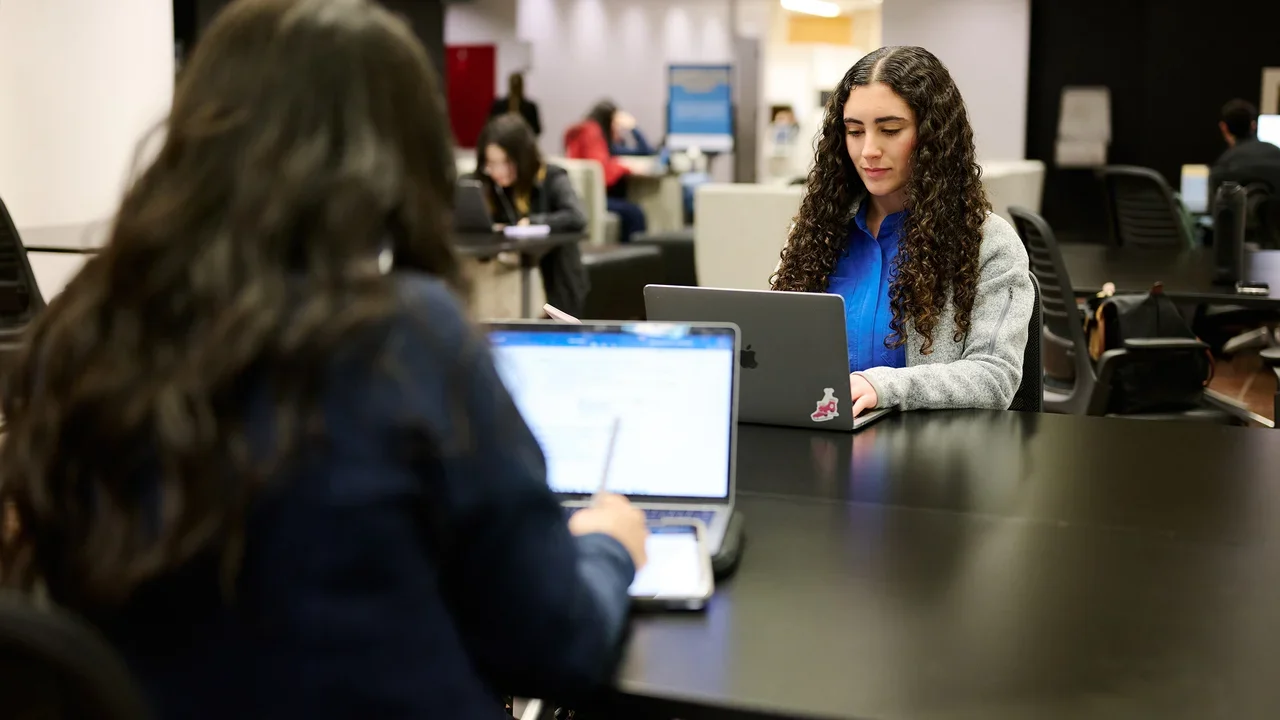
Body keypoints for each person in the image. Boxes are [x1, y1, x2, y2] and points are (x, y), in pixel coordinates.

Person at [0, 1, 648, 719]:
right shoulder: (405, 339)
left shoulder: (88, 331)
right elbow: (555, 644)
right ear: (400, 160)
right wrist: (606, 546)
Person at [771, 46, 1033, 417]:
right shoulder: (819, 233)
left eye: (890, 130)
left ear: (932, 136)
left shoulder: (987, 243)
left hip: (931, 459)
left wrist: (883, 387)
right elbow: (778, 351)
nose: (869, 151)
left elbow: (995, 377)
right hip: (822, 440)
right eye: (855, 131)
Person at [475, 113, 591, 317]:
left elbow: (576, 216)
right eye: (491, 163)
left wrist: (533, 222)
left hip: (554, 280)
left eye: (505, 162)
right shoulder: (487, 185)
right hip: (507, 276)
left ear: (522, 158)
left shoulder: (551, 176)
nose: (497, 171)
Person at [565, 100, 648, 243]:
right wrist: (626, 168)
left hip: (588, 196)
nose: (618, 128)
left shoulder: (594, 134)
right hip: (593, 197)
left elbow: (644, 151)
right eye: (616, 123)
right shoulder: (592, 133)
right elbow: (602, 172)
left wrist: (633, 128)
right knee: (635, 213)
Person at [489, 72, 541, 137]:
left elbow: (537, 130)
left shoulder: (530, 107)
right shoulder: (499, 105)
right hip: (503, 141)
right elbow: (491, 126)